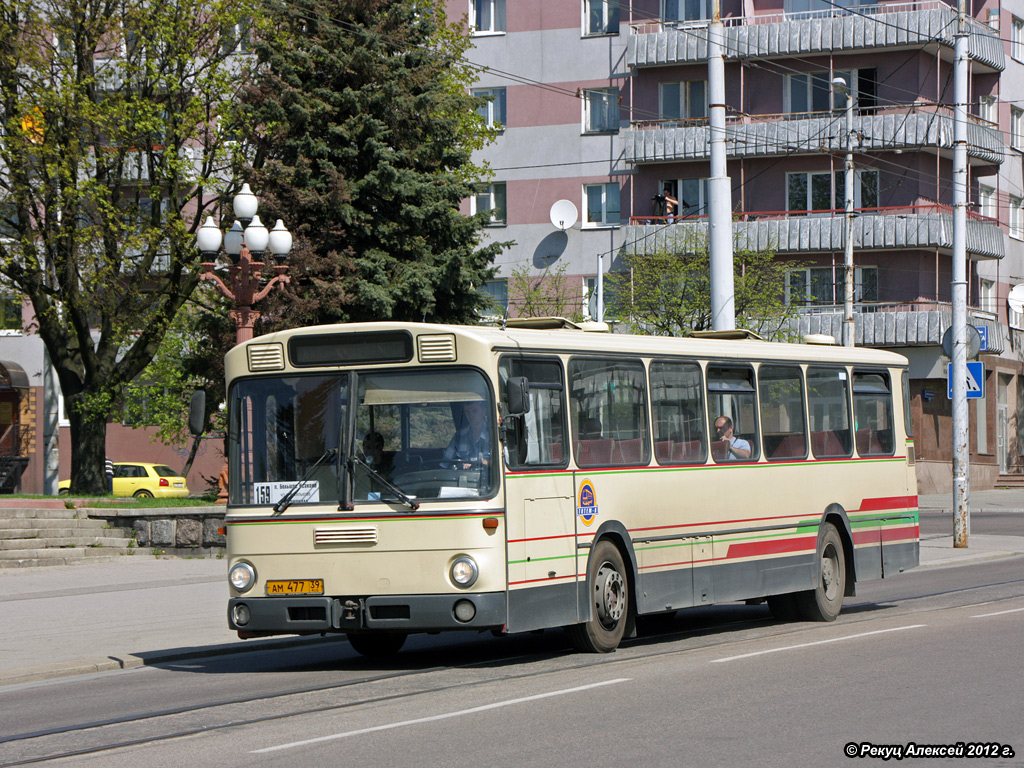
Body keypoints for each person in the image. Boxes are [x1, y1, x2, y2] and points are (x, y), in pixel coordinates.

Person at [444, 400, 491, 469]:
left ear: (484, 411)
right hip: (463, 477)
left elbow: (502, 462)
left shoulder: (493, 435)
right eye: (467, 412)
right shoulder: (459, 436)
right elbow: (445, 462)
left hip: (487, 478)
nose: (471, 415)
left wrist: (486, 462)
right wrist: (458, 465)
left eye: (474, 411)